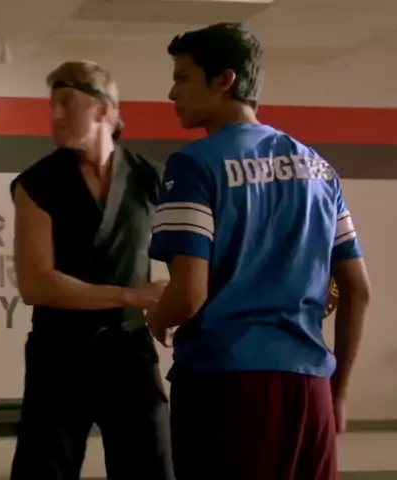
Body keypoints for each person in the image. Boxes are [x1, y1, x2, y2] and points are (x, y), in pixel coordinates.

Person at [146, 23, 372, 480]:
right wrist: (339, 390)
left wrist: (156, 316)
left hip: (225, 385)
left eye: (183, 77)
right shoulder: (319, 169)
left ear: (224, 80)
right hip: (311, 387)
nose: (172, 93)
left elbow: (189, 294)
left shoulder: (193, 165)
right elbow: (358, 290)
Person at [9, 60, 175, 480]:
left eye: (66, 103)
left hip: (130, 351)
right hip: (58, 353)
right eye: (52, 105)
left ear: (103, 109)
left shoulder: (151, 178)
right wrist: (132, 296)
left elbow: (187, 259)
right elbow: (36, 284)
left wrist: (176, 306)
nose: (55, 115)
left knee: (152, 469)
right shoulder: (37, 183)